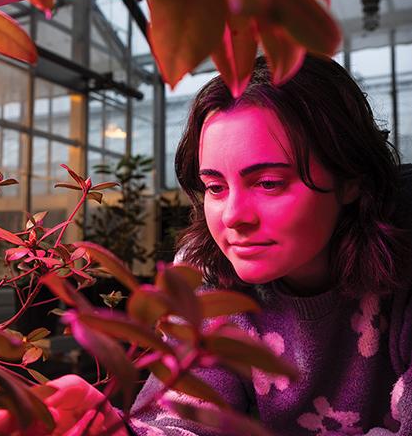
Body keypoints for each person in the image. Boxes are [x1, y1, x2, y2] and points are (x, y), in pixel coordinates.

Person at [130, 55, 412, 435]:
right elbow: (176, 418)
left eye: (268, 183)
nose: (233, 216)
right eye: (215, 187)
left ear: (351, 180)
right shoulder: (205, 277)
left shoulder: (404, 274)